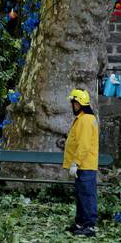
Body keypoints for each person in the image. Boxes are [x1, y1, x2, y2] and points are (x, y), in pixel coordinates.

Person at [63, 88, 99, 237]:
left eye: (74, 103)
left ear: (79, 104)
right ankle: (80, 223)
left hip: (85, 165)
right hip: (82, 165)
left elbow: (84, 145)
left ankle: (89, 226)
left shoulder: (86, 120)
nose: (73, 106)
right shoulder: (83, 118)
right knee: (81, 195)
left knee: (87, 195)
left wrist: (75, 163)